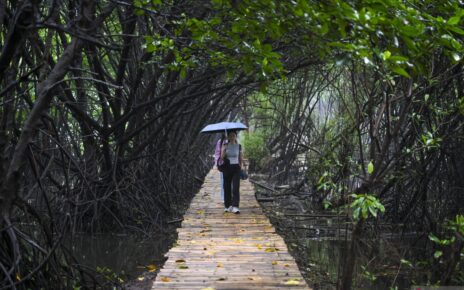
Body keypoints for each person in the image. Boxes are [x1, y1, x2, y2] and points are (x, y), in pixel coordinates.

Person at [221, 130, 243, 214]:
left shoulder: (239, 146)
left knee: (236, 187)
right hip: (227, 167)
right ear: (228, 137)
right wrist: (224, 149)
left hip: (236, 168)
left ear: (235, 136)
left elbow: (240, 157)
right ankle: (228, 205)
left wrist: (241, 167)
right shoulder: (225, 145)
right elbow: (222, 158)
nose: (232, 137)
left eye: (233, 135)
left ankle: (235, 206)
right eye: (230, 135)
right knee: (226, 187)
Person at [214, 133, 226, 201]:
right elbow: (217, 153)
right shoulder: (220, 141)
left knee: (231, 181)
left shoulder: (233, 140)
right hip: (222, 164)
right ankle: (223, 197)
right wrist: (217, 163)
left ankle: (230, 196)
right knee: (223, 181)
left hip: (232, 164)